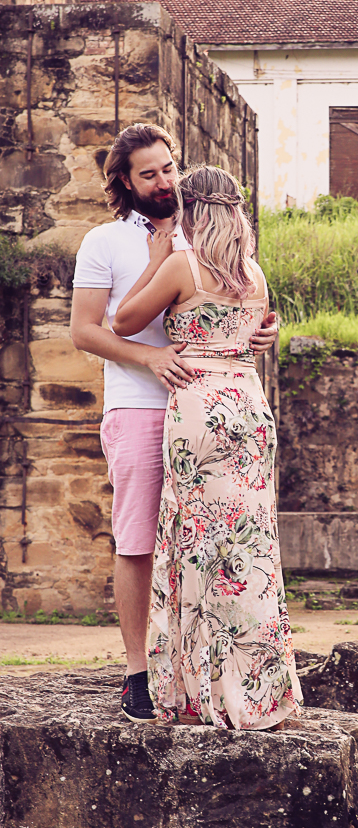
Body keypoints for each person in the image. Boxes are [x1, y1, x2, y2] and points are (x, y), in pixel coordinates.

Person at [70, 124, 278, 723]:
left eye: (170, 168)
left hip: (207, 409)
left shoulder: (208, 235)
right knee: (138, 538)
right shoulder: (104, 242)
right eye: (150, 174)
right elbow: (86, 331)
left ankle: (199, 673)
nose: (165, 182)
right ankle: (139, 673)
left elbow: (244, 304)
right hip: (139, 404)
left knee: (209, 541)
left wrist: (265, 330)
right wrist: (151, 357)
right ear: (125, 183)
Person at [112, 164, 301, 730]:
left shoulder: (181, 265)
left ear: (190, 211)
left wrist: (154, 258)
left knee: (197, 543)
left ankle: (199, 691)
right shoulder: (254, 273)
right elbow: (255, 336)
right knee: (250, 548)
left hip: (198, 408)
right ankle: (259, 693)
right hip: (249, 405)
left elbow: (122, 322)